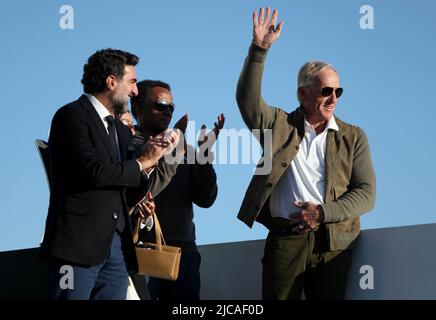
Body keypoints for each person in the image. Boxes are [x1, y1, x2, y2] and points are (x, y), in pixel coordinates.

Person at [236, 8, 376, 300]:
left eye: (338, 91)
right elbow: (248, 103)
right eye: (326, 90)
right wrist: (259, 50)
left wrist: (322, 213)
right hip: (286, 239)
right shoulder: (279, 125)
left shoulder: (354, 136)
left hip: (334, 242)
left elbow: (367, 193)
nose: (333, 98)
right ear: (302, 93)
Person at [39, 49, 180, 300]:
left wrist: (151, 163)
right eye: (132, 82)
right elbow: (94, 172)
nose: (135, 91)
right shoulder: (70, 116)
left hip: (116, 253)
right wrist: (141, 161)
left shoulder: (121, 131)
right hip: (75, 251)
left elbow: (128, 189)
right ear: (111, 82)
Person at [130, 80, 224, 300]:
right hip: (134, 252)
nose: (168, 112)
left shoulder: (185, 151)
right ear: (138, 108)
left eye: (171, 107)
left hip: (180, 255)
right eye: (161, 105)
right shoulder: (122, 146)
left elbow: (206, 199)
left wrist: (204, 157)